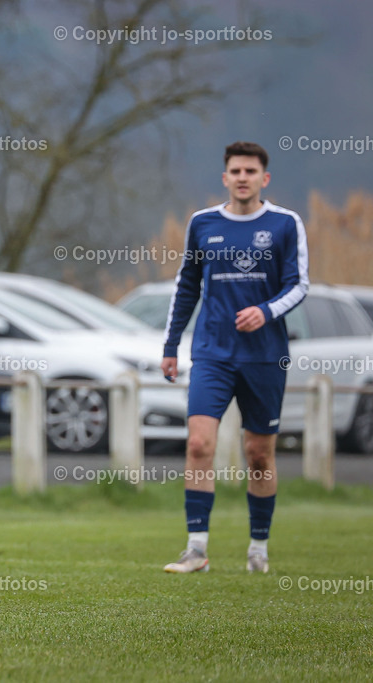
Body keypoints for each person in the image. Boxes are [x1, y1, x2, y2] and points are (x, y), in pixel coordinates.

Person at [161, 141, 309, 574]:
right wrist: (171, 346)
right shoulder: (203, 223)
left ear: (264, 178)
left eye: (251, 171)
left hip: (265, 357)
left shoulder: (284, 224)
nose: (242, 177)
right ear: (224, 178)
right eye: (235, 171)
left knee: (258, 453)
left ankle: (258, 548)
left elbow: (299, 285)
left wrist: (265, 312)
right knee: (199, 443)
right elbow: (186, 285)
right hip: (212, 353)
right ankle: (196, 549)